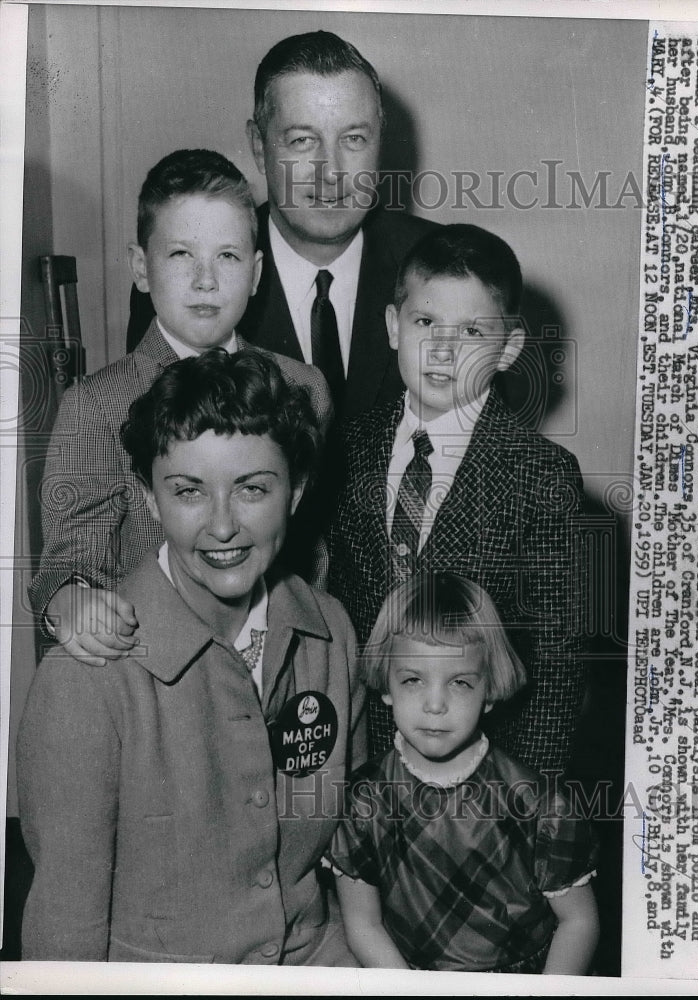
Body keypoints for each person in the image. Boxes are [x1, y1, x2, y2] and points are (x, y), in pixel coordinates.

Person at [17, 349, 365, 964]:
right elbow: (64, 931)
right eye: (189, 492)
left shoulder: (330, 632)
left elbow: (348, 841)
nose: (223, 525)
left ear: (299, 491)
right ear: (150, 499)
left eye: (253, 489)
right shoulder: (86, 676)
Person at [28, 148, 331, 665]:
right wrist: (69, 597)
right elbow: (69, 560)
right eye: (181, 254)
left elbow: (314, 546)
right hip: (159, 666)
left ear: (257, 274)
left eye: (228, 256)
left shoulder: (304, 388)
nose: (205, 279)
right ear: (141, 268)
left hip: (280, 657)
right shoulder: (96, 406)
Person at [327, 224, 587, 773]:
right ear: (394, 327)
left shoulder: (543, 476)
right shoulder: (344, 449)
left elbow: (559, 666)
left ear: (509, 347)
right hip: (358, 766)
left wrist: (525, 806)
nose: (444, 349)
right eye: (426, 322)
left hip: (485, 778)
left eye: (471, 331)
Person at [126, 30, 438, 419]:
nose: (332, 173)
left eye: (354, 138)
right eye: (303, 141)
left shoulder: (444, 266)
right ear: (259, 147)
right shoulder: (184, 277)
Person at [325, 572, 599, 974]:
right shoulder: (363, 800)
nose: (435, 704)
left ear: (489, 689)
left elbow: (579, 922)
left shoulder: (536, 804)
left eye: (460, 683)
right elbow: (364, 925)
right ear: (386, 684)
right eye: (414, 679)